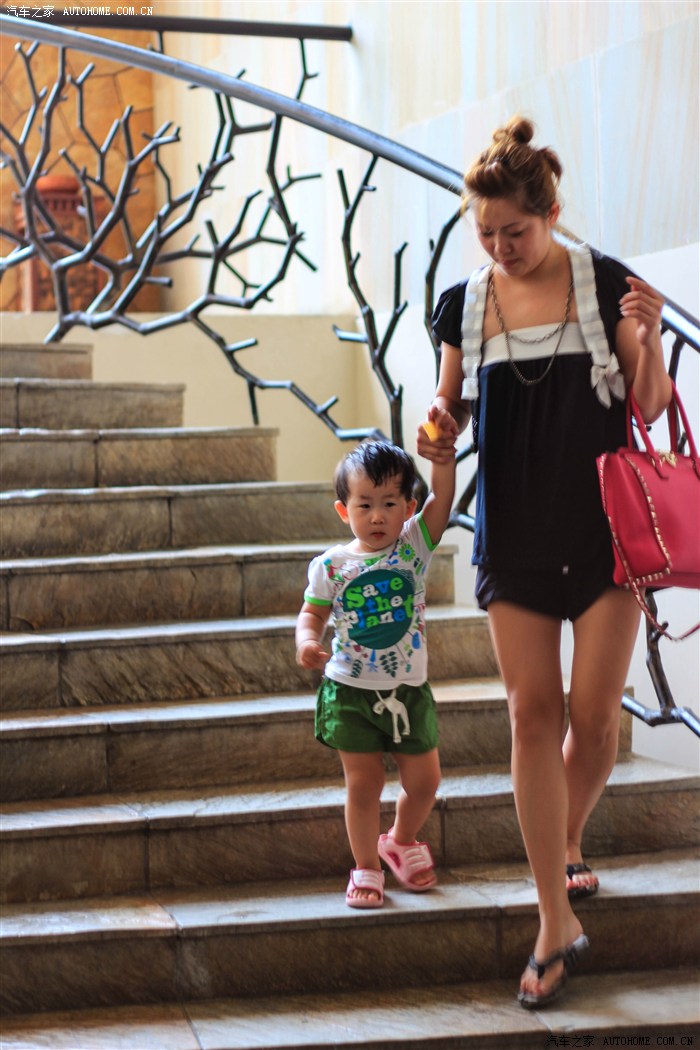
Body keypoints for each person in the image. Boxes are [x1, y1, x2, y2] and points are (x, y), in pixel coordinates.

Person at [418, 116, 672, 1007]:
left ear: (552, 214)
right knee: (532, 712)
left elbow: (649, 402)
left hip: (604, 531)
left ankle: (566, 838)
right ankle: (552, 918)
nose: (501, 248)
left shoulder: (604, 281)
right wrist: (438, 430)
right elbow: (448, 408)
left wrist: (650, 334)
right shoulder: (464, 302)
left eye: (515, 232)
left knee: (594, 720)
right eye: (486, 233)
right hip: (515, 527)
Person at [295, 436, 456, 908]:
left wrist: (442, 458)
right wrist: (307, 641)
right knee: (363, 785)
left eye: (389, 503)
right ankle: (366, 865)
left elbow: (443, 497)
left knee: (425, 782)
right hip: (350, 692)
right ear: (344, 510)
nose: (378, 516)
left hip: (408, 692)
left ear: (408, 508)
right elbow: (312, 614)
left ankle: (400, 840)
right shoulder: (332, 565)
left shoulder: (413, 547)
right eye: (365, 505)